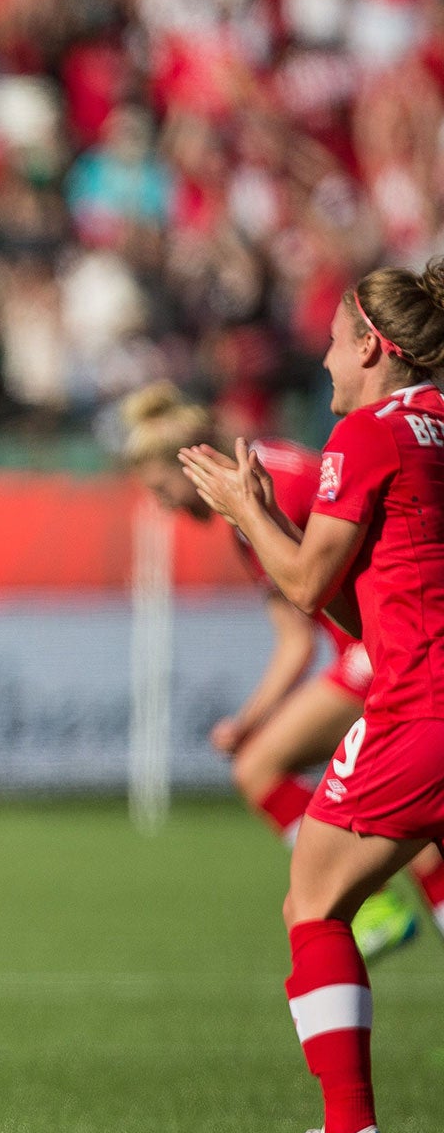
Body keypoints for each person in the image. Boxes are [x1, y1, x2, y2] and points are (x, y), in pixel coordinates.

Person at [180, 257, 444, 1133]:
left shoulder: (366, 433)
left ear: (374, 347)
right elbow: (359, 605)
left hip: (422, 710)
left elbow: (301, 585)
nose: (325, 361)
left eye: (335, 342)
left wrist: (244, 507)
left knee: (313, 903)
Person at [120, 383, 442, 958]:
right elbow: (295, 634)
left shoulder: (269, 487)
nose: (162, 504)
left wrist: (252, 728)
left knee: (259, 768)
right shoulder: (263, 476)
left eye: (160, 488)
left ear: (190, 459)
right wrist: (251, 717)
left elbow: (320, 592)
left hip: (387, 655)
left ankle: (375, 906)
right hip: (388, 652)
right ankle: (379, 905)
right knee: (414, 833)